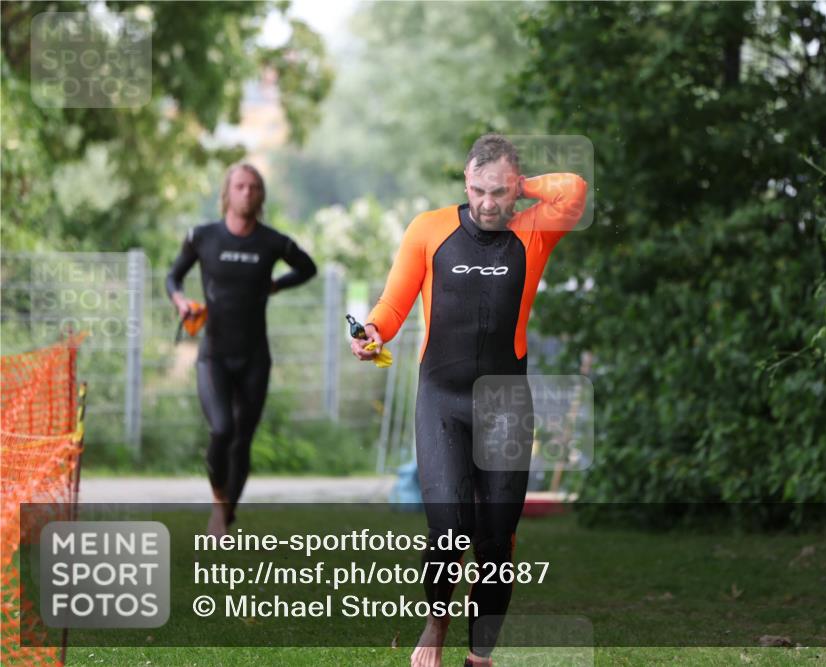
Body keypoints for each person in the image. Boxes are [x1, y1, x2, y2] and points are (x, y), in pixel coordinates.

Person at [351, 134, 587, 667]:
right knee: (450, 528)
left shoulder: (533, 231)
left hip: (506, 404)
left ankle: (479, 658)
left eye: (500, 192)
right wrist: (372, 331)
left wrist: (521, 185)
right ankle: (435, 623)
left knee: (497, 541)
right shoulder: (430, 230)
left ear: (516, 189)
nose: (487, 203)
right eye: (478, 190)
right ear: (465, 182)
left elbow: (574, 189)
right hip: (443, 400)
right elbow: (392, 304)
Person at [166, 162, 317, 537]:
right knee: (221, 429)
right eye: (239, 186)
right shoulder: (202, 237)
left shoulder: (272, 242)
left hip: (254, 357)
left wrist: (277, 285)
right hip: (214, 354)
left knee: (242, 439)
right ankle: (220, 506)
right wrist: (182, 302)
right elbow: (173, 276)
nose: (246, 193)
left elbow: (308, 267)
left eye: (253, 187)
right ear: (227, 193)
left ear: (261, 195)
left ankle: (226, 514)